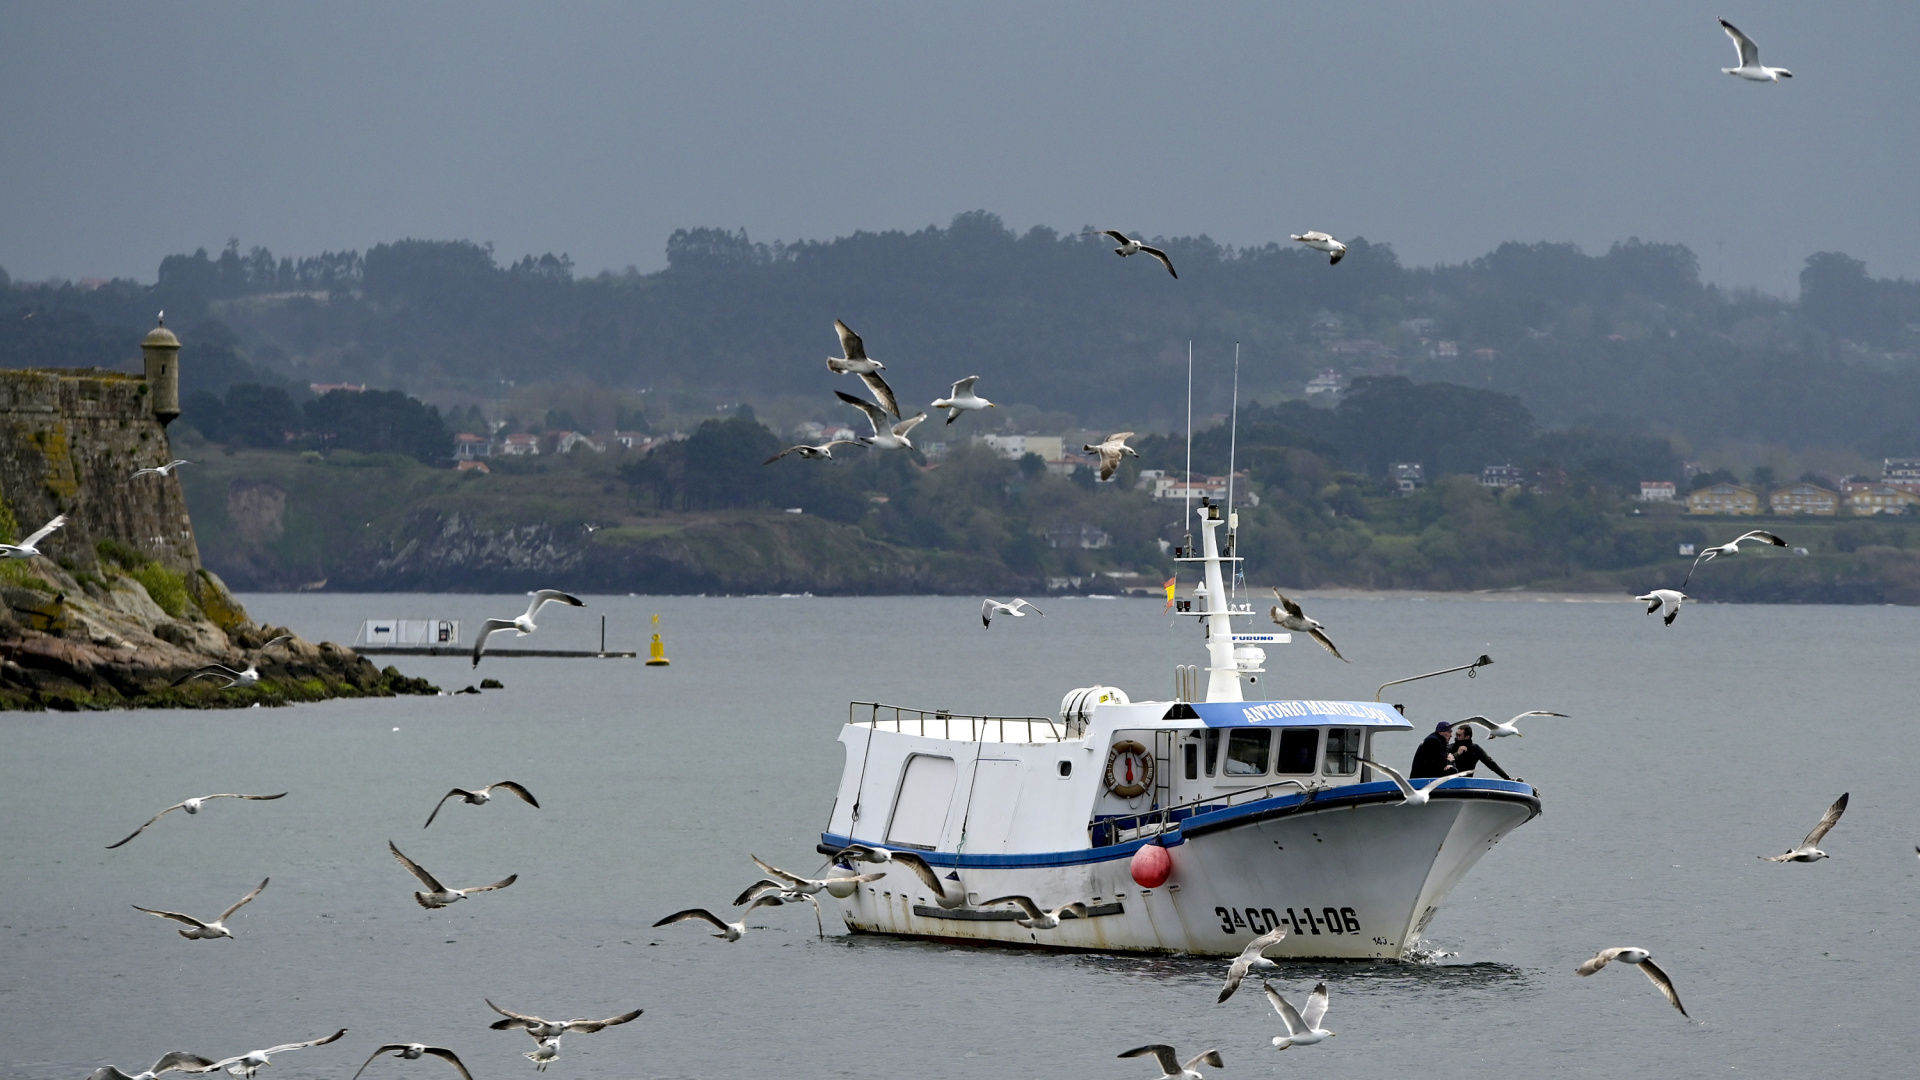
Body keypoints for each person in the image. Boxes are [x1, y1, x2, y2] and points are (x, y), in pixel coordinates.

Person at [1443, 724, 1516, 781]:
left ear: (1467, 737)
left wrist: (1507, 778)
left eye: (1459, 735)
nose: (1456, 737)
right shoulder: (1450, 747)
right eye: (1456, 734)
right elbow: (1442, 761)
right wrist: (1457, 754)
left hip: (1466, 782)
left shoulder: (1475, 749)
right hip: (1449, 781)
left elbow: (1491, 764)